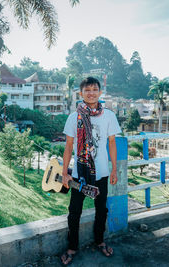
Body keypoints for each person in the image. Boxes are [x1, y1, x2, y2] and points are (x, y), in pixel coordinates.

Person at [60, 77, 121, 265]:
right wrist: (64, 172)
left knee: (101, 210)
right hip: (79, 173)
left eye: (95, 89)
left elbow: (112, 143)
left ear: (100, 93)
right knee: (74, 212)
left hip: (101, 172)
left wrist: (114, 170)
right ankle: (72, 247)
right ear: (81, 93)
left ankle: (100, 241)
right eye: (87, 90)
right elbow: (69, 147)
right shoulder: (74, 117)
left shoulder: (109, 116)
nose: (91, 93)